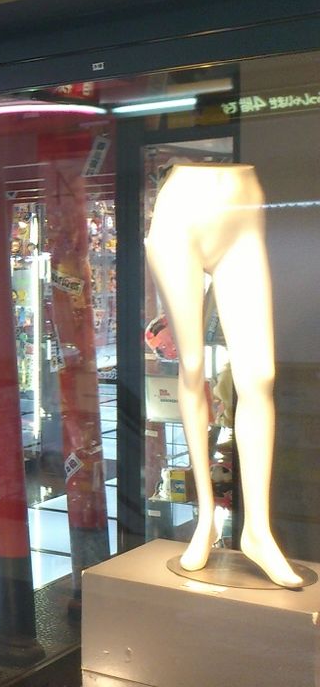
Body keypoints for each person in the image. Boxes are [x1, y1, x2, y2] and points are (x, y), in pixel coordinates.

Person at [146, 163, 301, 587]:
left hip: (242, 207)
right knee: (192, 365)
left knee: (260, 375)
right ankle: (205, 520)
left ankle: (258, 531)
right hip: (181, 212)